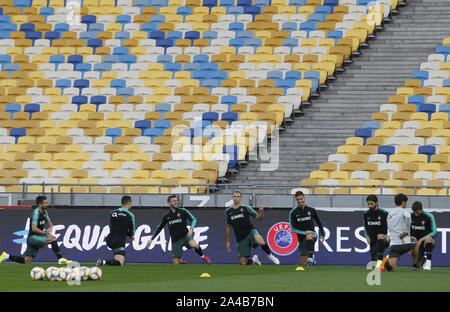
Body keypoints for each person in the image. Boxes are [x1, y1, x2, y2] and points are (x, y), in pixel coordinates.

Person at [0, 196, 72, 265]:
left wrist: (50, 228)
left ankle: (6, 256)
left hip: (37, 237)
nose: (47, 204)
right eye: (45, 203)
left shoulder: (44, 212)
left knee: (27, 261)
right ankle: (60, 259)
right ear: (40, 204)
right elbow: (34, 229)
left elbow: (50, 223)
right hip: (33, 238)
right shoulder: (35, 214)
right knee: (52, 239)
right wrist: (44, 233)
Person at [147, 195, 211, 265]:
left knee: (194, 245)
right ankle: (180, 260)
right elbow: (159, 227)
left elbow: (194, 219)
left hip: (185, 236)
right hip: (175, 241)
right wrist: (151, 239)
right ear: (169, 203)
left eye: (177, 201)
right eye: (174, 201)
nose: (176, 202)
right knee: (176, 263)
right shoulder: (167, 216)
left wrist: (191, 229)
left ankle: (203, 257)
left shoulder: (183, 211)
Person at [225, 191, 280, 265]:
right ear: (232, 198)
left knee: (261, 242)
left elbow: (259, 218)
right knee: (243, 263)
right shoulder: (228, 211)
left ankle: (270, 255)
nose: (236, 198)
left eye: (238, 197)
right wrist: (228, 242)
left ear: (241, 198)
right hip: (240, 238)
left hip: (250, 231)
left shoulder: (246, 208)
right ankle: (254, 260)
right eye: (234, 196)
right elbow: (228, 227)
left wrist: (261, 211)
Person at [380, 194, 415, 272]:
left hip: (393, 245)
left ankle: (386, 263)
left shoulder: (390, 214)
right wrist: (406, 231)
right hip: (405, 244)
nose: (406, 204)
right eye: (406, 202)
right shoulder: (404, 211)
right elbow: (408, 217)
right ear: (403, 202)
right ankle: (416, 265)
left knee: (391, 268)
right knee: (417, 244)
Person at [289, 191, 325, 266]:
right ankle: (312, 260)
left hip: (312, 235)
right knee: (305, 264)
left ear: (304, 198)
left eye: (301, 199)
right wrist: (304, 233)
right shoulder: (293, 212)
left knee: (309, 236)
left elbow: (319, 222)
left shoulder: (311, 210)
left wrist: (322, 233)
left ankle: (311, 257)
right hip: (301, 239)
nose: (300, 201)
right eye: (298, 199)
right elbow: (292, 229)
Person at [97, 196, 135, 266]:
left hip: (110, 239)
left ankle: (112, 262)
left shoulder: (112, 213)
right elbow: (132, 229)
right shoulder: (130, 215)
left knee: (119, 260)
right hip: (119, 241)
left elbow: (116, 226)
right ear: (129, 203)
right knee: (120, 263)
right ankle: (103, 262)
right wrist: (131, 236)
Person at [363, 195, 389, 269]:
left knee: (380, 239)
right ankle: (385, 261)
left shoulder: (384, 213)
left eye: (371, 204)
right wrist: (366, 235)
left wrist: (387, 236)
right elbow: (365, 225)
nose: (370, 206)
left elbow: (392, 225)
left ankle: (380, 260)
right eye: (368, 204)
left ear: (376, 203)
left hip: (383, 239)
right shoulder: (366, 213)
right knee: (373, 262)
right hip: (372, 239)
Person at [410, 201, 436, 271]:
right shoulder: (410, 216)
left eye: (417, 212)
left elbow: (434, 232)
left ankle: (428, 262)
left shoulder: (429, 216)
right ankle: (421, 261)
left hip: (425, 242)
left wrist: (421, 240)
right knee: (417, 266)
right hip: (415, 243)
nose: (415, 214)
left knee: (428, 238)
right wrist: (413, 242)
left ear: (421, 209)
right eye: (414, 212)